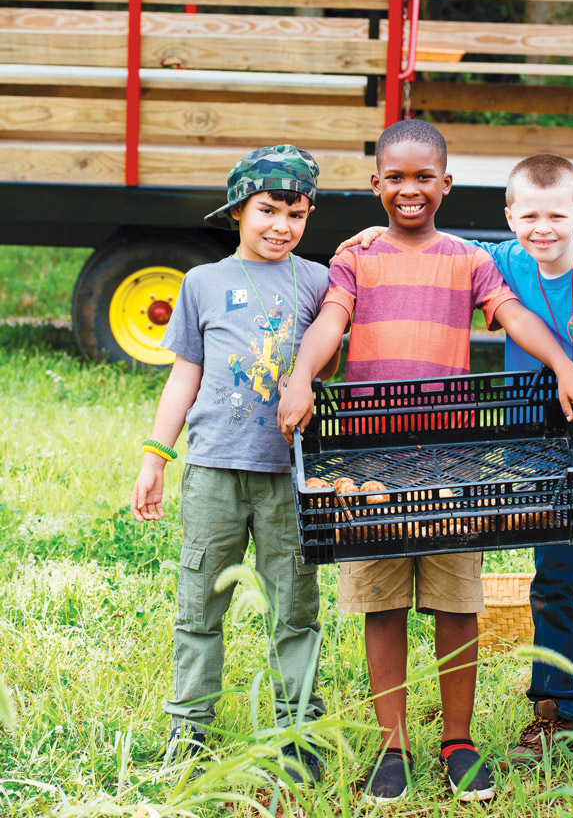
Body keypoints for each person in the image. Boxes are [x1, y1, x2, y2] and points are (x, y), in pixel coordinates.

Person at [338, 150, 573, 784]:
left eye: (557, 215)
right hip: (551, 460)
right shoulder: (503, 260)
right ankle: (556, 711)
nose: (543, 228)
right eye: (529, 215)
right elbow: (433, 241)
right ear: (510, 218)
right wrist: (378, 234)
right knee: (554, 586)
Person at [277, 120, 573, 805]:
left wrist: (565, 366)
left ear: (445, 184)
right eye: (395, 177)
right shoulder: (355, 260)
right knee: (382, 606)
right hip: (369, 462)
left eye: (424, 177)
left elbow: (513, 314)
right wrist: (303, 374)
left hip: (452, 461)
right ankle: (391, 745)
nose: (409, 189)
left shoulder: (468, 260)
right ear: (375, 185)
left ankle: (458, 740)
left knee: (456, 606)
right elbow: (332, 321)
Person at [130, 145, 339, 782]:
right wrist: (156, 456)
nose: (281, 225)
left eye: (296, 214)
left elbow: (328, 363)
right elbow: (183, 377)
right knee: (199, 603)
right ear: (238, 212)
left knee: (295, 607)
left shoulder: (318, 282)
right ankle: (187, 731)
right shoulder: (202, 284)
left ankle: (296, 730)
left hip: (287, 475)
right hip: (215, 471)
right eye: (268, 210)